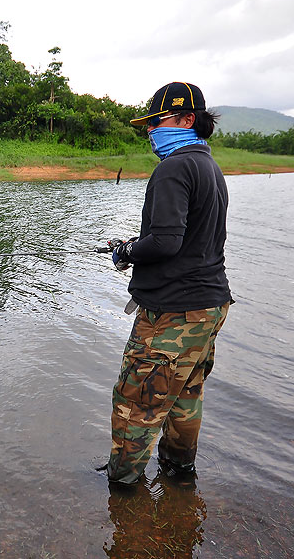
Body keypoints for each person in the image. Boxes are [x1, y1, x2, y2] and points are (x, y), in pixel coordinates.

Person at [104, 81, 232, 485]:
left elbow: (164, 241)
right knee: (184, 397)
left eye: (156, 121)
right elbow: (187, 240)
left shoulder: (174, 168)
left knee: (137, 400)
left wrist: (126, 252)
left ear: (186, 119)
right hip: (209, 306)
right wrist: (136, 247)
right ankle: (180, 476)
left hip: (173, 314)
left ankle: (121, 487)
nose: (151, 130)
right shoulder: (210, 167)